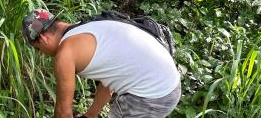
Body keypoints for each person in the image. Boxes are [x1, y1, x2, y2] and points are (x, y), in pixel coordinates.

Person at [22, 9, 181, 118]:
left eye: (38, 49)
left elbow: (63, 113)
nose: (42, 53)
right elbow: (109, 82)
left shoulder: (65, 53)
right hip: (169, 84)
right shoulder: (87, 27)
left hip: (151, 95)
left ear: (43, 39)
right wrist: (89, 115)